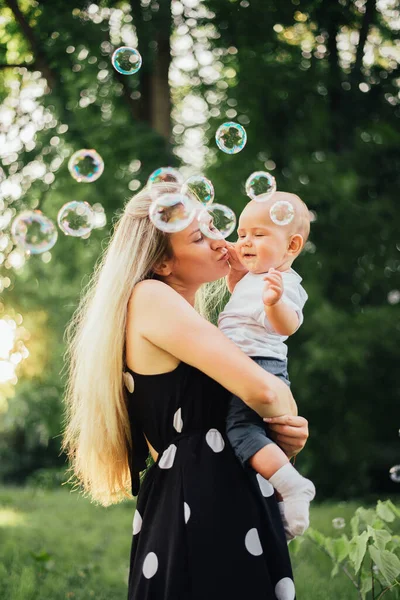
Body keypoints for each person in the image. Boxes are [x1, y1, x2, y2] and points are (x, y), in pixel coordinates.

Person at [61, 184, 310, 600]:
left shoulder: (199, 324)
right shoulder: (150, 296)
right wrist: (284, 410)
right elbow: (266, 392)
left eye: (213, 226)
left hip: (220, 499)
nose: (220, 241)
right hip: (200, 506)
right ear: (161, 262)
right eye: (199, 237)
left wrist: (284, 440)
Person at [219, 192, 315, 540]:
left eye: (258, 235)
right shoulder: (253, 278)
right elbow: (240, 305)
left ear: (291, 245)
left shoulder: (284, 283)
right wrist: (234, 273)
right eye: (242, 234)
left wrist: (274, 303)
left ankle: (292, 488)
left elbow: (285, 325)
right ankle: (272, 509)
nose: (245, 242)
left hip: (261, 367)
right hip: (243, 366)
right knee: (247, 436)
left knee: (243, 432)